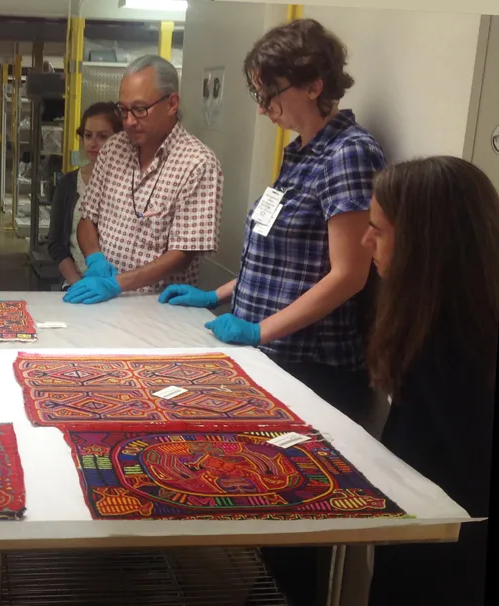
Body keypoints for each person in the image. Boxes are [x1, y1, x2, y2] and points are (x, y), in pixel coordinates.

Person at [160, 19, 385, 425]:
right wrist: (216, 295)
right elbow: (281, 263)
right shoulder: (301, 152)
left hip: (312, 366)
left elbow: (349, 275)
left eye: (270, 95)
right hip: (271, 354)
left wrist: (259, 331)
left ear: (314, 86)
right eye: (259, 95)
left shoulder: (347, 153)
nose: (262, 109)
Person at [362, 156, 497, 606]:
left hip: (446, 551)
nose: (365, 241)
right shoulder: (432, 317)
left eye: (378, 231)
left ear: (422, 244)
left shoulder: (454, 343)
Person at [63, 55, 224, 305]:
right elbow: (87, 218)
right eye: (123, 110)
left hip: (157, 307)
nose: (129, 121)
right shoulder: (114, 149)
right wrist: (95, 259)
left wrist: (117, 284)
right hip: (103, 301)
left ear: (172, 104)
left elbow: (182, 255)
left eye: (140, 110)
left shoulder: (197, 163)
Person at [47, 102, 123, 289]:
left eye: (103, 136)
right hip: (78, 283)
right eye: (88, 135)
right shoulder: (68, 184)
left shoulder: (129, 183)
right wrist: (78, 284)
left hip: (119, 285)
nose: (93, 143)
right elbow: (56, 243)